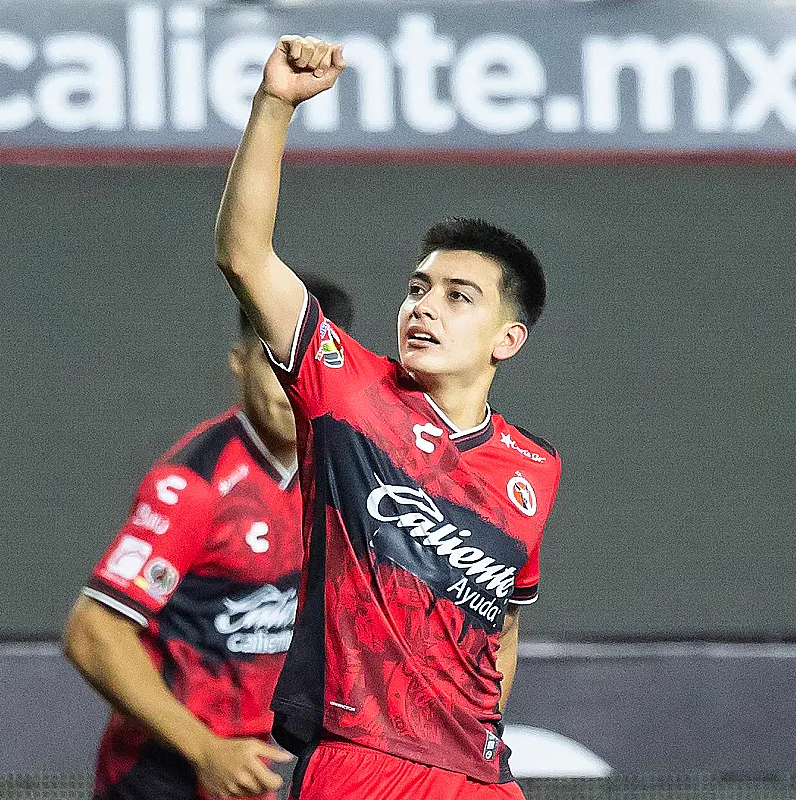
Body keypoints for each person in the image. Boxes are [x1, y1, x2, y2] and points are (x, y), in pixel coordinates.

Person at [212, 35, 563, 800]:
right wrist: (275, 104)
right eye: (416, 289)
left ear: (509, 338)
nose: (424, 308)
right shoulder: (346, 389)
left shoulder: (535, 468)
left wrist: (485, 731)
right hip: (362, 758)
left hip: (480, 775)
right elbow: (244, 255)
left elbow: (501, 619)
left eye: (457, 296)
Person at [64, 277, 355, 800]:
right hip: (164, 778)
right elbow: (93, 632)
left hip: (268, 777)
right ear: (240, 361)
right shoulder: (194, 485)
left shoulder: (349, 481)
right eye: (274, 365)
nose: (291, 388)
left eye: (306, 368)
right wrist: (206, 750)